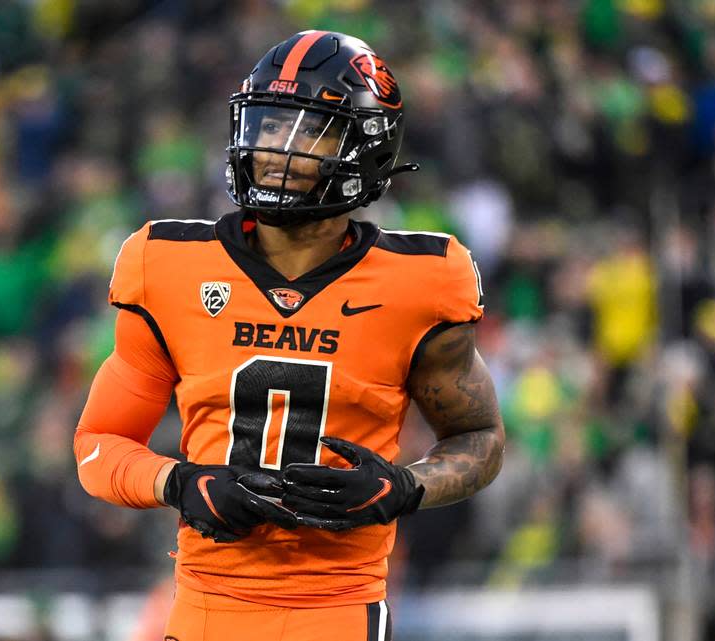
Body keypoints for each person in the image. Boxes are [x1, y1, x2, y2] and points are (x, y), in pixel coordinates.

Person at [74, 30, 505, 641]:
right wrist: (178, 482)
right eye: (270, 126)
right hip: (203, 607)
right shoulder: (165, 265)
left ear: (366, 145)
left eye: (309, 129)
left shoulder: (424, 281)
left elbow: (479, 437)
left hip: (339, 606)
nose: (278, 148)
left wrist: (404, 487)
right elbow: (98, 443)